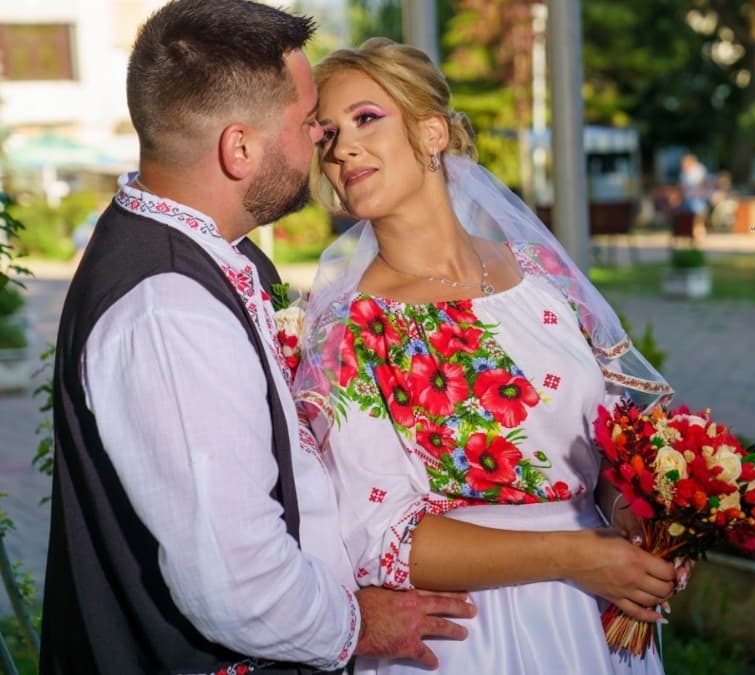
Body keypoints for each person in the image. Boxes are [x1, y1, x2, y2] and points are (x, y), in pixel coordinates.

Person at [40, 3, 473, 673]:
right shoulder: (169, 310)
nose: (322, 142)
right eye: (307, 125)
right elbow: (236, 583)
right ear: (239, 147)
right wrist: (356, 624)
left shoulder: (217, 255)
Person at [295, 38, 686, 675]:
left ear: (430, 132)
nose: (342, 148)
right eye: (327, 135)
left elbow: (613, 442)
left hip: (598, 613)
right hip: (472, 636)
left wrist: (634, 522)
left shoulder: (541, 274)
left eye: (366, 118)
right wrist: (575, 554)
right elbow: (378, 536)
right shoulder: (351, 324)